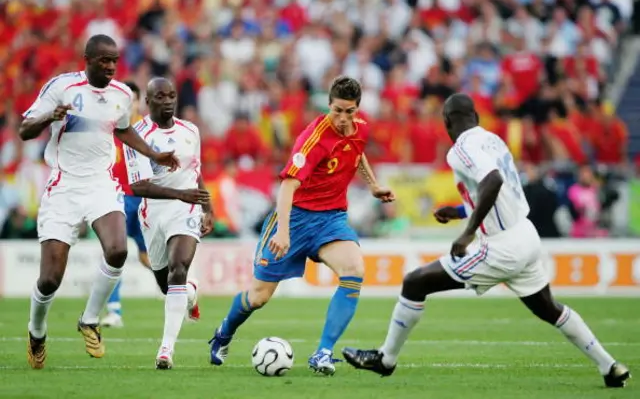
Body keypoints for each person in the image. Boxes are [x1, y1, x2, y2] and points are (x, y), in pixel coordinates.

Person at [341, 93, 630, 388]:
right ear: (476, 118)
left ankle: (385, 359)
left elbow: (492, 181)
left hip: (503, 246)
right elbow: (497, 191)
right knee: (548, 308)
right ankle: (610, 366)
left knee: (415, 282)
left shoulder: (460, 148)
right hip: (526, 235)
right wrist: (457, 212)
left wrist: (468, 232)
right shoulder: (493, 140)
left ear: (447, 122)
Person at [208, 76, 395, 376]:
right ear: (328, 105)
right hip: (294, 219)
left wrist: (372, 186)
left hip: (331, 219)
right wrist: (282, 231)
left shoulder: (360, 129)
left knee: (354, 270)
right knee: (258, 297)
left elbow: (357, 153)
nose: (343, 118)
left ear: (357, 109)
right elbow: (287, 186)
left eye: (350, 112)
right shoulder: (314, 137)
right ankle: (224, 332)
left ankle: (322, 353)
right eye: (337, 110)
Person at [20, 34, 179, 369]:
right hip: (63, 187)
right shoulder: (62, 87)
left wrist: (154, 154)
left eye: (114, 61)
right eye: (104, 60)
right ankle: (36, 331)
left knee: (118, 249)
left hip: (100, 185)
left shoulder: (122, 94)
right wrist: (50, 117)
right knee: (50, 278)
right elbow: (24, 130)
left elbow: (123, 131)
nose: (110, 66)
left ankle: (89, 319)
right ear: (87, 59)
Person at [126, 77, 213, 369]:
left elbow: (196, 171)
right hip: (153, 213)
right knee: (168, 285)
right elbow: (138, 188)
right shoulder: (136, 135)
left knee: (179, 269)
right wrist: (181, 193)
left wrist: (206, 206)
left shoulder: (190, 130)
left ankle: (165, 350)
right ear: (148, 102)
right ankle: (189, 293)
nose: (168, 101)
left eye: (172, 95)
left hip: (186, 209)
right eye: (160, 96)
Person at [99, 81, 151, 328]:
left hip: (140, 199)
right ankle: (115, 311)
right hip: (116, 198)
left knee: (146, 257)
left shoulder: (145, 128)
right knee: (113, 252)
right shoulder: (108, 128)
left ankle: (181, 289)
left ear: (138, 101)